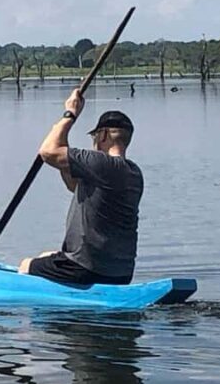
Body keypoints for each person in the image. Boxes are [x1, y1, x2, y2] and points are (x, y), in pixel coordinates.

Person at [19, 89, 143, 285]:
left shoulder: (101, 163)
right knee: (47, 255)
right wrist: (62, 141)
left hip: (86, 268)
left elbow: (48, 152)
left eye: (94, 137)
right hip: (121, 273)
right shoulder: (134, 173)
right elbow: (73, 185)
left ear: (103, 135)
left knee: (25, 265)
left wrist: (70, 114)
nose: (93, 142)